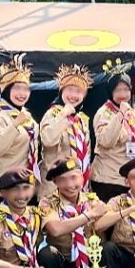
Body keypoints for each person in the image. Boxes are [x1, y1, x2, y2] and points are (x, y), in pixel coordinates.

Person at [37, 159, 109, 268]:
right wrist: (89, 215)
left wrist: (129, 210)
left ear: (82, 177)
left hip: (90, 261)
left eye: (74, 178)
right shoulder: (47, 202)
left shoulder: (91, 199)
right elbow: (56, 229)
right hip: (64, 262)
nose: (70, 185)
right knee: (46, 254)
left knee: (109, 248)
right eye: (63, 180)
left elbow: (108, 217)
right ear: (55, 182)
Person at [0, 54, 40, 206]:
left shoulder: (27, 117)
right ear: (6, 90)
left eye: (26, 89)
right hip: (6, 187)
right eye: (17, 88)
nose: (22, 94)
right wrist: (14, 125)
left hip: (27, 185)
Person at [91, 58, 135, 202]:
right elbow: (106, 141)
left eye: (126, 90)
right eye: (118, 90)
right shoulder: (104, 113)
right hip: (107, 178)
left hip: (125, 177)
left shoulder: (130, 112)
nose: (123, 94)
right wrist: (120, 115)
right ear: (110, 91)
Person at [39, 64, 94, 199]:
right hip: (55, 186)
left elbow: (86, 154)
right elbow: (47, 140)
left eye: (79, 91)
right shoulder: (52, 114)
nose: (73, 95)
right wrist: (63, 115)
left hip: (78, 186)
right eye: (70, 90)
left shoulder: (81, 119)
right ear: (61, 91)